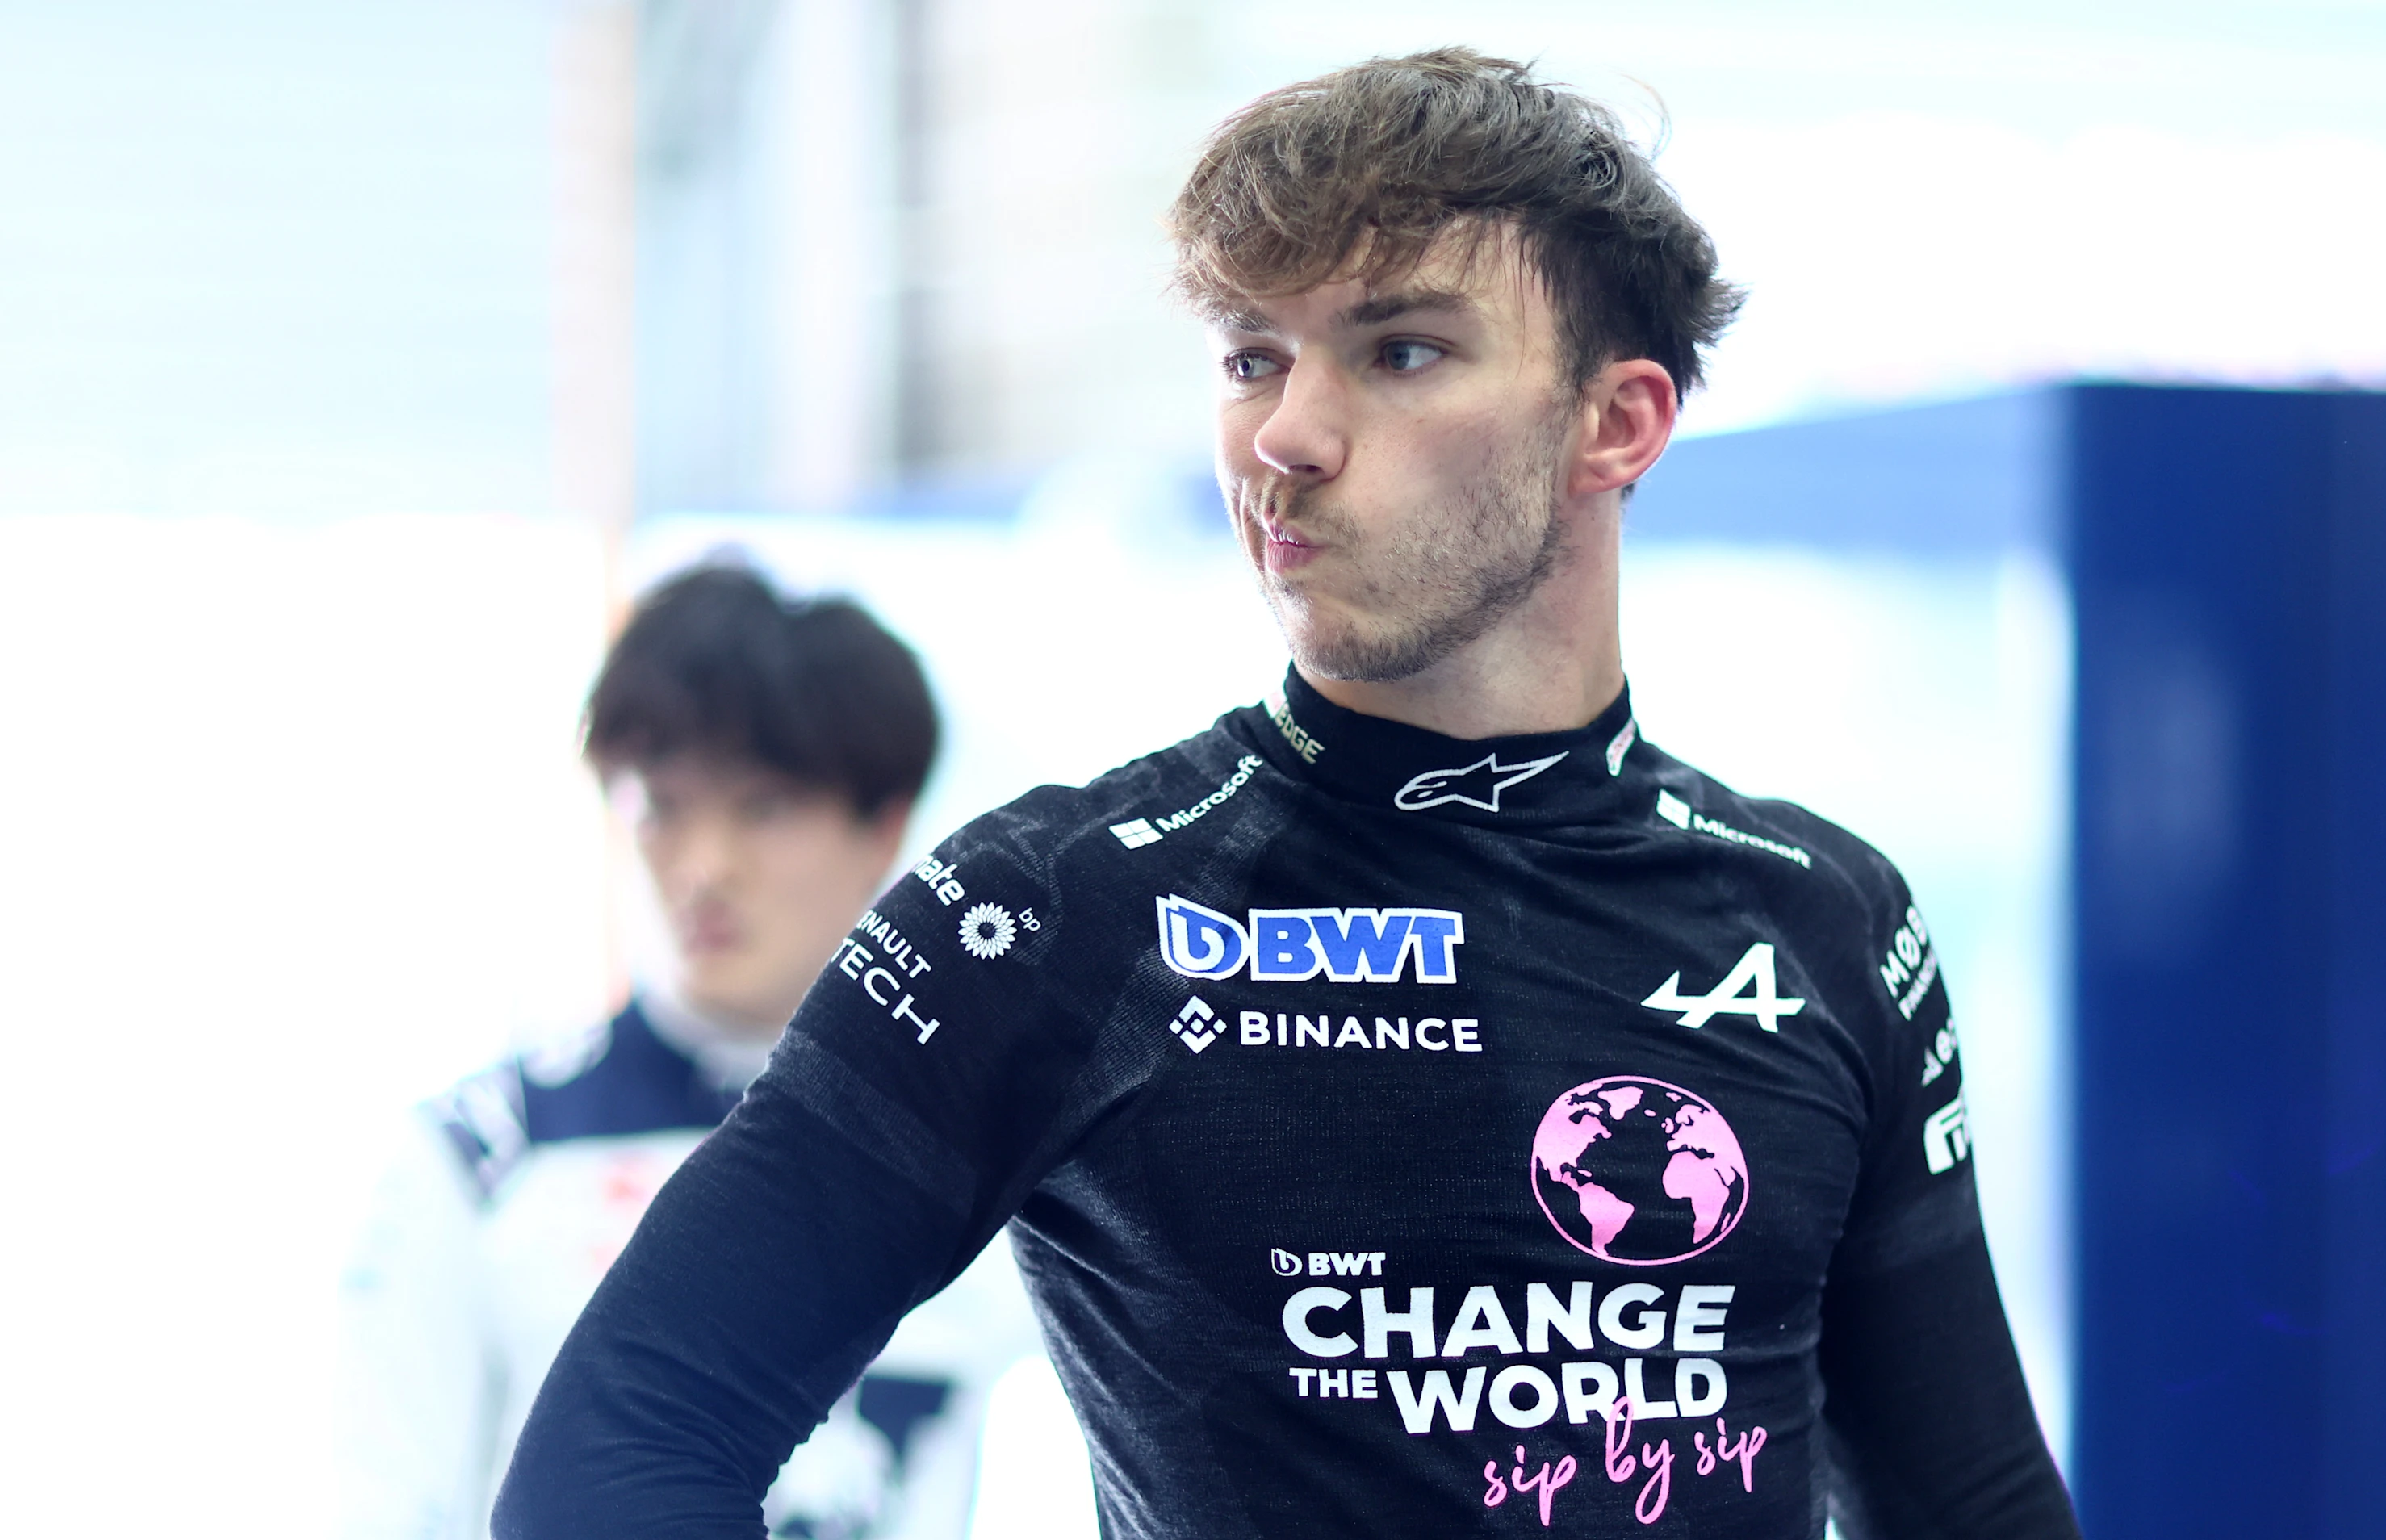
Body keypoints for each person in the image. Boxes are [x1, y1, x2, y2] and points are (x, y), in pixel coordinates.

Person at [496, 51, 2078, 1539]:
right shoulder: (1062, 910)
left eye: (1400, 352)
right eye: (1253, 357)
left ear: (1618, 423)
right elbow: (620, 1453)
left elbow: (1973, 1507)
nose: (1287, 437)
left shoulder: (1819, 915)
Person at [339, 563, 1037, 1540]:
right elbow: (383, 1503)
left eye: (763, 808)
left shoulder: (992, 1156)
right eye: (663, 807)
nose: (704, 868)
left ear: (883, 825)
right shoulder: (479, 1158)